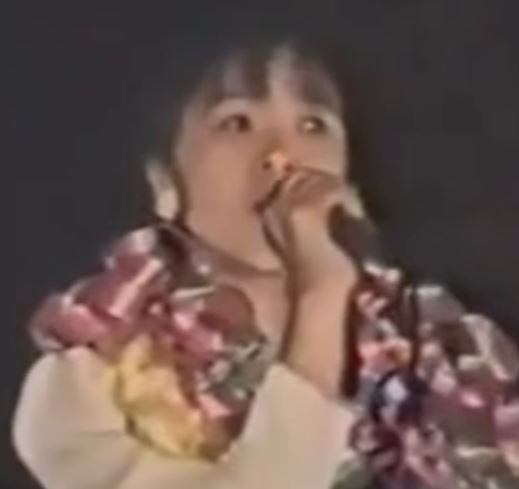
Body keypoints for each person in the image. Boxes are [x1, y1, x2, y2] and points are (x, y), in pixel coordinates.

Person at [12, 39, 519, 489]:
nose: (283, 157)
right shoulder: (87, 381)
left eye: (313, 125)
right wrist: (320, 294)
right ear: (163, 179)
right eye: (237, 123)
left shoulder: (444, 345)